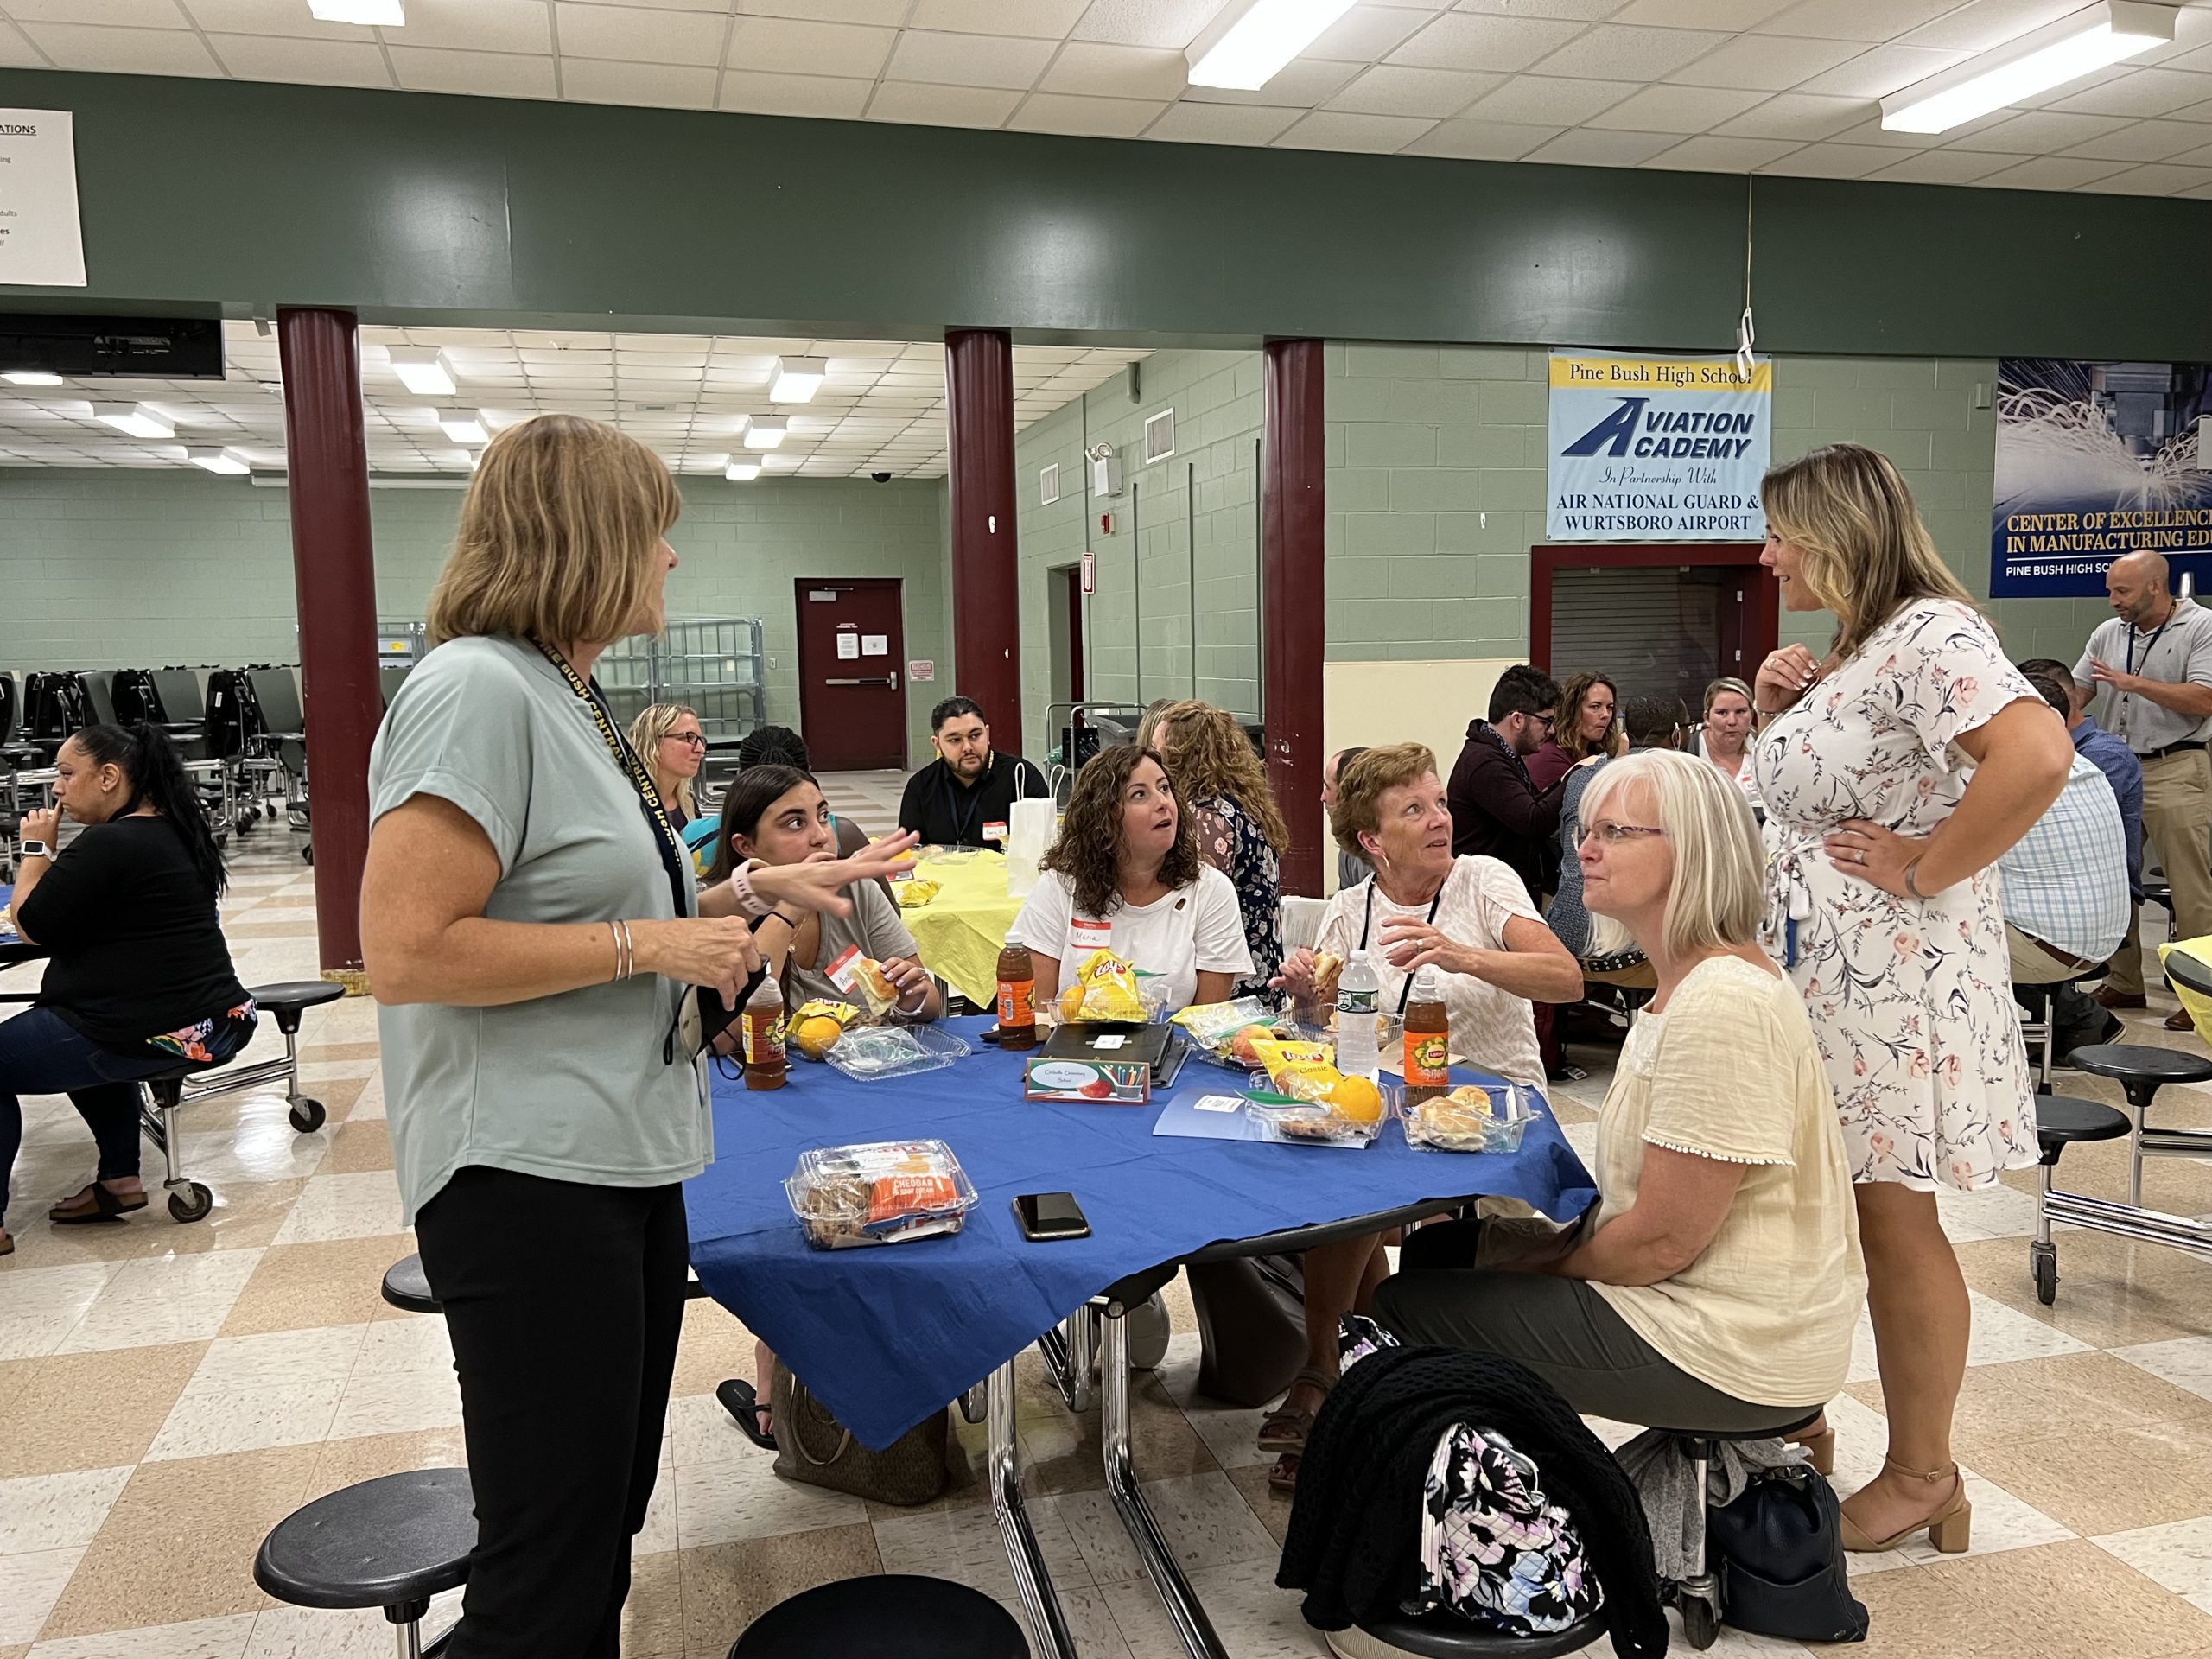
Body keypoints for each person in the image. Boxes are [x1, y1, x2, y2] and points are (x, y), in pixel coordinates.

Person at [359, 413, 915, 1659]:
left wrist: (748, 899)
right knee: (546, 1579)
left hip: (622, 1153)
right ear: (593, 538)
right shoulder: (471, 688)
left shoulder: (568, 692)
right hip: (524, 1172)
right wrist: (653, 947)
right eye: (656, 530)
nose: (671, 557)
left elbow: (591, 903)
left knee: (596, 1538)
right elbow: (406, 949)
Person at [1752, 442, 2069, 1554]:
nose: (1767, 552)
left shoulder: (1935, 630)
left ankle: (1925, 1471)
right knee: (1820, 1214)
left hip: (1890, 989)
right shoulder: (1866, 646)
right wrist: (1772, 709)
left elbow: (2034, 754)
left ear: (1832, 534)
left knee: (1892, 1220)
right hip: (1823, 979)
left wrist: (1926, 862)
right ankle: (1800, 1414)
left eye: (1781, 531)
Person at [1374, 751, 1866, 1451]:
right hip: (1704, 1294)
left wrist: (1542, 1265)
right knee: (1441, 1250)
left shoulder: (1721, 1002)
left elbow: (1663, 1241)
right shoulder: (1691, 980)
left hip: (1729, 1341)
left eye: (1616, 832)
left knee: (1404, 1304)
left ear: (1692, 851)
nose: (1585, 849)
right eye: (1587, 830)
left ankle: (1509, 1513)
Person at [1267, 743, 1581, 1489]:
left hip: (1490, 1108)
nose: (1440, 820)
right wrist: (1309, 996)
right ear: (1371, 840)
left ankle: (1363, 1385)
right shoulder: (1351, 911)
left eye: (1438, 803)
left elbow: (1564, 977)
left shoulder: (1483, 881)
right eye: (1416, 809)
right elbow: (1326, 1030)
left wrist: (1459, 954)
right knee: (1344, 1189)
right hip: (1394, 1108)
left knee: (1400, 1200)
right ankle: (1338, 1374)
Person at [704, 761, 939, 1448]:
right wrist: (794, 906)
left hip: (869, 1095)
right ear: (747, 849)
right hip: (766, 1105)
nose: (821, 836)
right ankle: (778, 1367)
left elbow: (928, 1003)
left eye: (823, 815)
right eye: (794, 823)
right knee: (786, 1223)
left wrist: (914, 988)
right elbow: (727, 1031)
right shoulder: (718, 910)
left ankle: (897, 1368)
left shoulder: (859, 896)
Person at [0, 724, 256, 1254]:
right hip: (216, 1021)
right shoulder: (174, 829)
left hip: (153, 1028)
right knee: (71, 1026)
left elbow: (32, 925)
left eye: (68, 774)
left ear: (109, 777)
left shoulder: (111, 841)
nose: (57, 789)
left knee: (68, 1035)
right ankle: (119, 1181)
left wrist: (33, 849)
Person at [2068, 554, 2212, 1030]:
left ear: (2155, 586)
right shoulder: (2107, 633)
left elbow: (2204, 699)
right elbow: (2079, 692)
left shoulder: (2201, 627)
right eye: (2111, 591)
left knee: (2192, 889)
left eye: (2122, 592)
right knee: (2114, 878)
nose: (2113, 601)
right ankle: (2125, 981)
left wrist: (2133, 684)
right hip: (2115, 769)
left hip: (2178, 767)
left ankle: (2198, 996)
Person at [1005, 744, 1250, 1014]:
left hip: (1173, 1051)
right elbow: (1038, 1015)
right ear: (1104, 820)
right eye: (1139, 795)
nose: (1162, 803)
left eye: (1164, 788)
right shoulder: (1060, 887)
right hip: (1072, 1052)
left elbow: (1207, 1023)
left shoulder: (1211, 891)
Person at [1148, 699, 1286, 1000]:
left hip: (1231, 985)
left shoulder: (1206, 817)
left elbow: (1196, 901)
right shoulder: (1244, 806)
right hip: (1260, 970)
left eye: (1159, 753)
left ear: (1181, 756)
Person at [2001, 673, 2131, 984]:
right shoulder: (2086, 766)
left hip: (2048, 950)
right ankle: (2078, 1015)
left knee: (1904, 923)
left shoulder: (2010, 773)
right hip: (2099, 943)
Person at [1548, 696, 1684, 969]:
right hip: (1633, 953)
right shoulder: (1678, 783)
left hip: (1564, 936)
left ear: (1624, 733)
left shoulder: (1583, 775)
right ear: (1678, 735)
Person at [1446, 664, 1567, 908]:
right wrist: (1579, 774)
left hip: (1496, 896)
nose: (1551, 731)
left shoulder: (1503, 756)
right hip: (1483, 902)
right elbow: (1533, 820)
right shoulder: (1485, 762)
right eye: (1546, 722)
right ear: (1518, 719)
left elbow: (1534, 804)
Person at [897, 696, 1048, 849]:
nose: (968, 747)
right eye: (955, 740)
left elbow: (1044, 847)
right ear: (937, 744)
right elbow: (911, 851)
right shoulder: (921, 786)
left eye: (975, 736)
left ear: (987, 734)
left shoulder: (1021, 777)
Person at [1527, 671, 1623, 792]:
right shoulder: (1548, 757)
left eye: (1609, 707)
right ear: (1572, 711)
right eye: (1595, 706)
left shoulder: (1597, 752)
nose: (1605, 714)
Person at [626, 702, 704, 832]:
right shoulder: (628, 805)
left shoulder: (688, 803)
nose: (700, 749)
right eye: (689, 737)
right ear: (654, 742)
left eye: (700, 740)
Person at [1694, 677, 1760, 806]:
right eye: (1722, 713)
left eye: (1740, 712)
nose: (1732, 721)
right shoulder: (1689, 750)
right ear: (1707, 718)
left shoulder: (1764, 748)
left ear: (1751, 715)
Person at [1323, 747, 1370, 893]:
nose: (1323, 797)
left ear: (1346, 794)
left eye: (1327, 787)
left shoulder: (1390, 851)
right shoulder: (1348, 848)